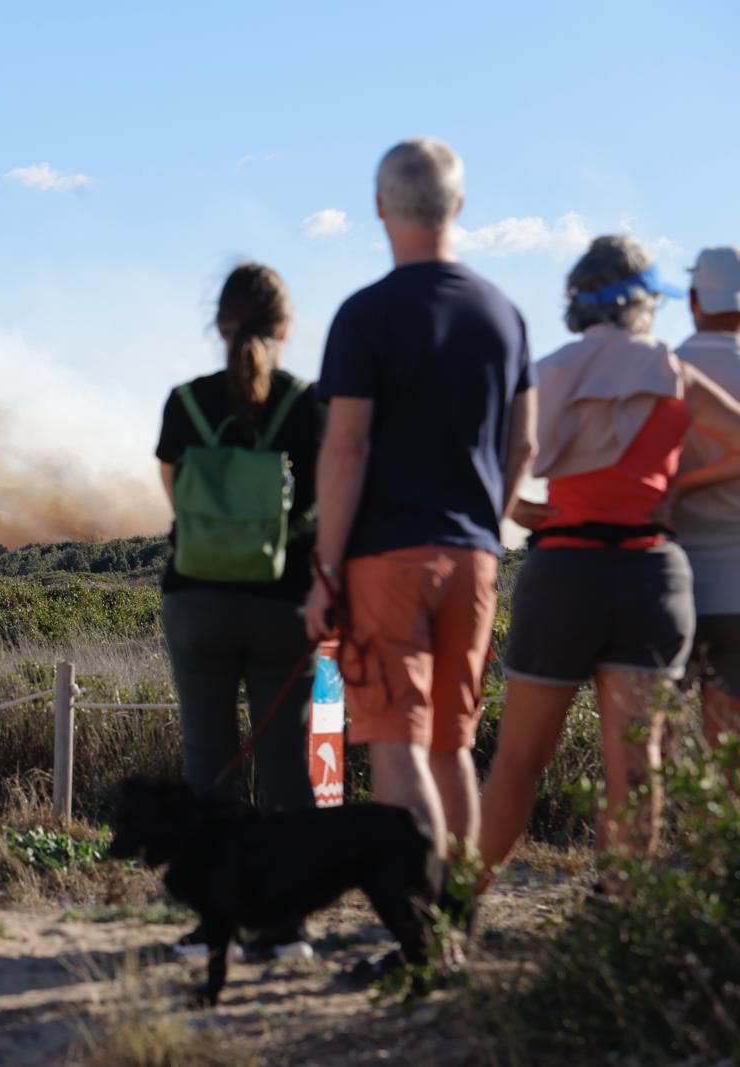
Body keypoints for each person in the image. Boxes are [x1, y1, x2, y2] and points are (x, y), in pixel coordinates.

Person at [304, 138, 535, 882]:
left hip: (385, 559)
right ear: (458, 206)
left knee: (396, 748)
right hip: (472, 557)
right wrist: (483, 529)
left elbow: (345, 452)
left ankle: (423, 930)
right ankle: (456, 924)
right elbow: (524, 445)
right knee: (452, 747)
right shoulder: (505, 316)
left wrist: (326, 570)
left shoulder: (364, 316)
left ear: (379, 208)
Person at [479, 237, 740, 890]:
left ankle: (455, 906)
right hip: (651, 572)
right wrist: (679, 489)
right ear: (646, 301)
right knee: (637, 764)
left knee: (517, 759)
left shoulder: (547, 370)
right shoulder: (672, 371)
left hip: (564, 569)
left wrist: (525, 508)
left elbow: (488, 459)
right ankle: (616, 907)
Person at [156, 261, 326, 961]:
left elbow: (175, 492)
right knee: (286, 765)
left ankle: (213, 928)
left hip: (195, 600)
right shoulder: (306, 406)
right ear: (286, 327)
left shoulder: (185, 403)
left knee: (210, 767)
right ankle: (285, 930)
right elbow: (322, 505)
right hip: (282, 606)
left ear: (219, 326)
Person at [671, 246, 740, 745]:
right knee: (729, 748)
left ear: (693, 300)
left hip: (668, 584)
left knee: (654, 745)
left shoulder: (666, 371)